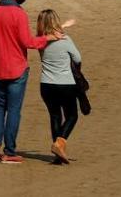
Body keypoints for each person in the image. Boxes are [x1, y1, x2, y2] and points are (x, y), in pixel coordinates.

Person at [0, 0, 67, 164]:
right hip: (16, 70)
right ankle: (9, 151)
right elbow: (28, 42)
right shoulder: (18, 14)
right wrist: (49, 37)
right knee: (13, 110)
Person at [36, 9, 81, 164]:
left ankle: (58, 154)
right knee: (72, 115)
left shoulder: (40, 40)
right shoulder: (65, 40)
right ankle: (59, 144)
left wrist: (63, 26)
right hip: (65, 83)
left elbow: (47, 35)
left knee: (55, 116)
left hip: (46, 85)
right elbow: (77, 58)